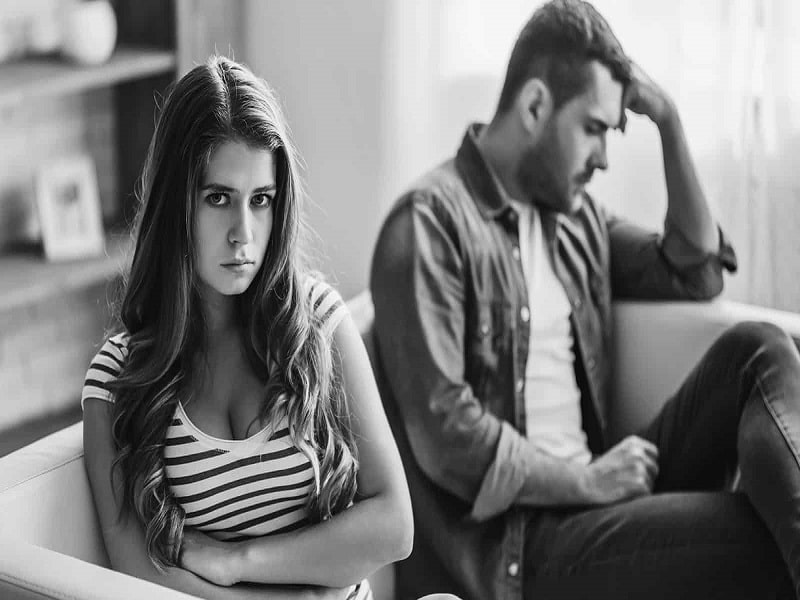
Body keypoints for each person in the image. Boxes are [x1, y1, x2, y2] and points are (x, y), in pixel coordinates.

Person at [369, 1, 800, 599]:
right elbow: (448, 438)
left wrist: (670, 120)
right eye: (594, 128)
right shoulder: (431, 223)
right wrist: (588, 481)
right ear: (536, 105)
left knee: (760, 348)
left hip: (603, 493)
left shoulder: (575, 220)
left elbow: (696, 272)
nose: (603, 157)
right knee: (758, 539)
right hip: (528, 545)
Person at [81, 56, 414, 600]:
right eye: (218, 198)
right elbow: (133, 566)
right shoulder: (118, 377)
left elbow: (394, 525)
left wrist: (238, 560)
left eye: (261, 200)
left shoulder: (320, 325)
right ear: (175, 206)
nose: (244, 234)